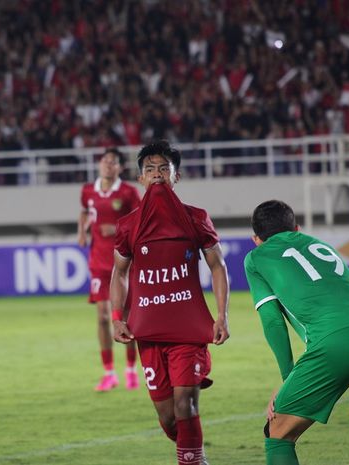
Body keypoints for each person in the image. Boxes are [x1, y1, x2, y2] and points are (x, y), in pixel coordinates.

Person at [244, 200, 349, 465]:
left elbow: (273, 322)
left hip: (338, 342)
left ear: (256, 239)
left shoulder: (256, 257)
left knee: (278, 431)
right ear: (296, 228)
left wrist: (288, 379)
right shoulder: (320, 245)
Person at [110, 141, 230, 465]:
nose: (157, 175)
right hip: (148, 335)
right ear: (140, 179)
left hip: (188, 333)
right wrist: (116, 316)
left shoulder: (196, 218)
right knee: (168, 418)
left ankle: (192, 460)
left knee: (185, 406)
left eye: (164, 169)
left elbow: (217, 265)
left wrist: (222, 315)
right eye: (150, 170)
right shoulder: (128, 226)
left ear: (176, 177)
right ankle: (194, 455)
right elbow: (119, 273)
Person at [78, 148, 142, 391]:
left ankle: (130, 370)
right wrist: (81, 231)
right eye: (104, 161)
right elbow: (85, 212)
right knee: (103, 317)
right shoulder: (88, 190)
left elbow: (138, 220)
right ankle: (109, 373)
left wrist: (115, 231)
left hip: (123, 263)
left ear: (119, 168)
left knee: (125, 318)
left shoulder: (127, 192)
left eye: (112, 162)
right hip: (98, 264)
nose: (107, 165)